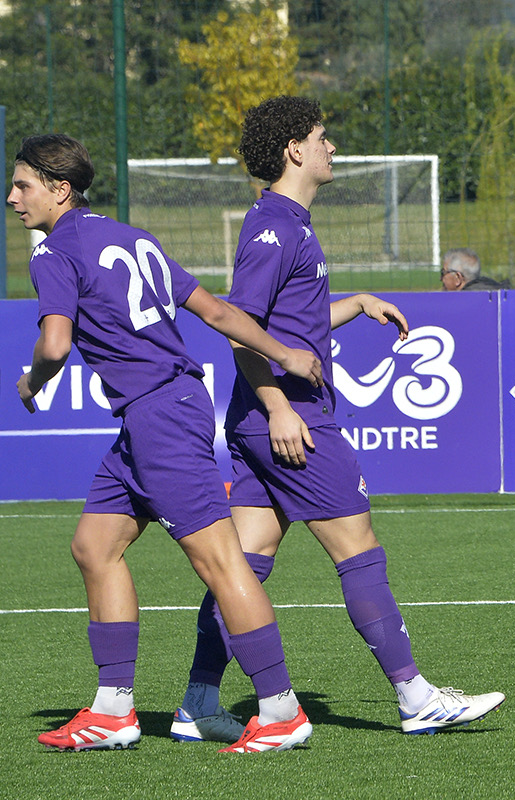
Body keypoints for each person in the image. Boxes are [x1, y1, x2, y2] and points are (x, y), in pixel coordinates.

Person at [172, 96, 504, 740]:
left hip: (266, 417)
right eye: (323, 138)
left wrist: (355, 303)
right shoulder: (274, 228)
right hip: (290, 416)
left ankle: (198, 701)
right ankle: (415, 698)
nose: (333, 148)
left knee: (245, 562)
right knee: (359, 552)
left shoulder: (290, 224)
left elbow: (283, 326)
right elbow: (242, 333)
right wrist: (277, 409)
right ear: (294, 149)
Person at [10, 134, 320, 753]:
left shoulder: (53, 252)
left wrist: (31, 382)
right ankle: (113, 711)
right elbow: (219, 312)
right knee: (94, 547)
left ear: (59, 188)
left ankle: (281, 711)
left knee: (220, 560)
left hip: (159, 417)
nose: (12, 198)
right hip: (157, 415)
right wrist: (285, 351)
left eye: (22, 185)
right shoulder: (131, 236)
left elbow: (54, 345)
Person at [440, 247, 510, 291]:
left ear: (458, 278)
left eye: (443, 273)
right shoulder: (499, 295)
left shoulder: (463, 305)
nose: (441, 279)